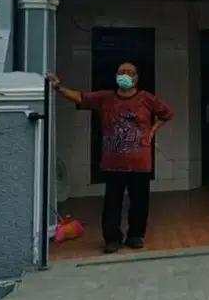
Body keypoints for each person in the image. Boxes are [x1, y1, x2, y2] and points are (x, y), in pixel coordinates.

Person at [46, 63, 173, 254]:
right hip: (113, 163)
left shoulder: (146, 98)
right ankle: (112, 239)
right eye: (121, 72)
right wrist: (58, 86)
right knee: (112, 203)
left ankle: (135, 236)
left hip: (140, 163)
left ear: (136, 78)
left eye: (130, 73)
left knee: (139, 202)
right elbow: (80, 97)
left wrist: (152, 131)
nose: (125, 75)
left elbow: (167, 113)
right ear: (116, 76)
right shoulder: (105, 98)